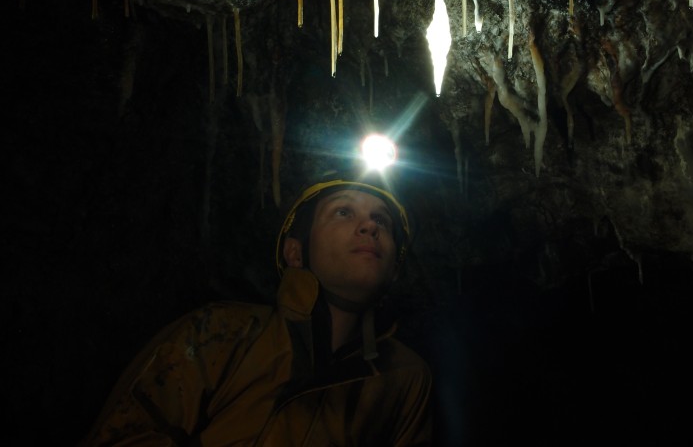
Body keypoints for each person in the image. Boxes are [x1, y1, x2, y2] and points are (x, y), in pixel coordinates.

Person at [80, 171, 432, 446]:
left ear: (395, 269)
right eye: (343, 211)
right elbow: (125, 433)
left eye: (382, 221)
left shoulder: (406, 378)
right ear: (295, 252)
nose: (370, 226)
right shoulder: (222, 332)